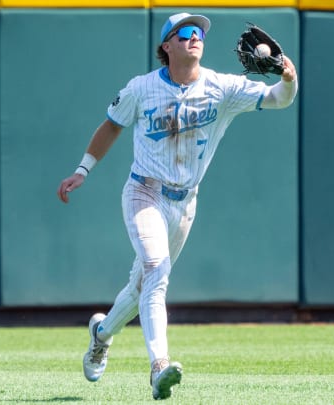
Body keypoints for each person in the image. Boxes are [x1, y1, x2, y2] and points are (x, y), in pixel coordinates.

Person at [56, 12, 297, 400]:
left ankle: (100, 334)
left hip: (185, 204)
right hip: (144, 193)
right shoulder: (142, 88)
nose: (195, 37)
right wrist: (83, 169)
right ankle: (159, 367)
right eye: (184, 33)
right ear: (166, 46)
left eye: (199, 33)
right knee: (156, 269)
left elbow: (279, 100)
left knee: (140, 287)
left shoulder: (222, 87)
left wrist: (289, 77)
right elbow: (112, 124)